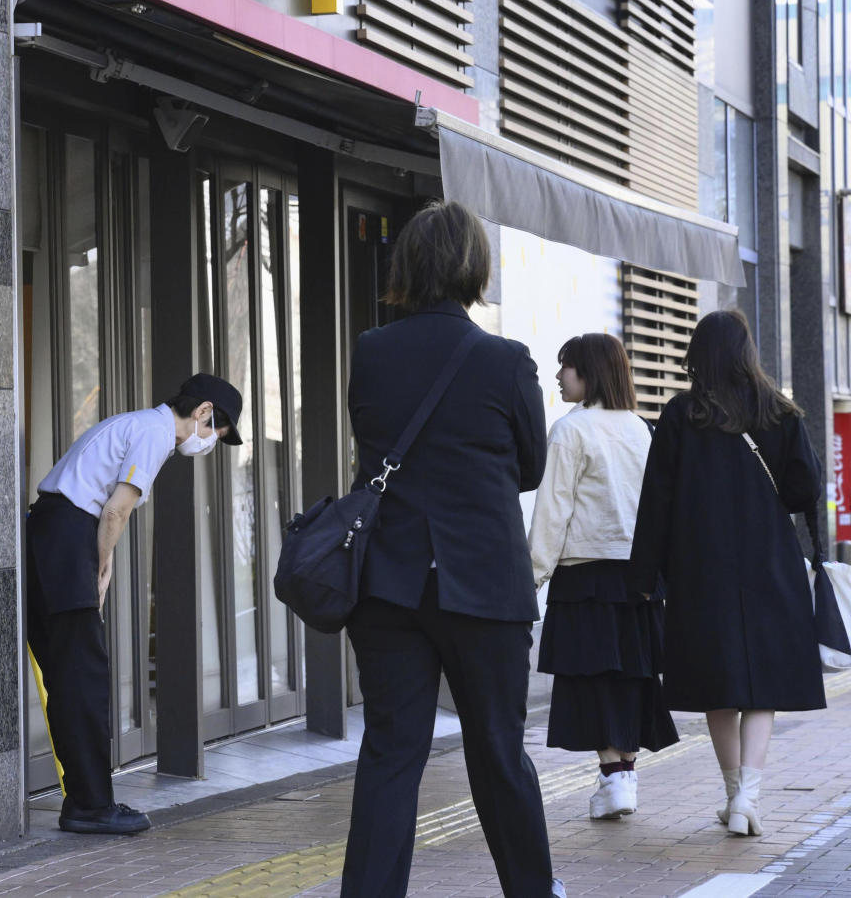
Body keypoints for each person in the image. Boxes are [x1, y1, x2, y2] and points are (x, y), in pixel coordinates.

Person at [341, 200, 565, 898]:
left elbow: (371, 443)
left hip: (390, 585)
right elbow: (531, 467)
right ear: (474, 267)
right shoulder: (505, 362)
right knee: (498, 750)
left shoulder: (372, 351)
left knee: (390, 753)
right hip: (485, 585)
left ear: (406, 266)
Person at [628, 310, 825, 837]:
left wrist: (644, 574)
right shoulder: (780, 411)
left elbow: (657, 501)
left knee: (719, 683)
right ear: (746, 353)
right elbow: (805, 490)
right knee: (762, 686)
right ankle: (748, 800)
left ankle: (735, 794)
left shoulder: (680, 415)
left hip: (700, 566)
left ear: (699, 353)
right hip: (769, 563)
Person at [26, 373, 242, 835]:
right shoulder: (154, 433)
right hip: (68, 537)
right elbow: (115, 510)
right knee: (83, 675)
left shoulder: (135, 424)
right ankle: (90, 806)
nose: (210, 443)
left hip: (48, 532)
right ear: (203, 411)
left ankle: (85, 800)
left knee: (69, 674)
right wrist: (102, 568)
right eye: (216, 432)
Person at [529, 334, 679, 822]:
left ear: (587, 373)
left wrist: (532, 573)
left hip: (584, 575)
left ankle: (613, 777)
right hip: (638, 577)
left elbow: (554, 509)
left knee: (590, 677)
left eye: (565, 367)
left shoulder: (571, 430)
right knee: (632, 676)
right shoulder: (643, 429)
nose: (558, 377)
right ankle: (624, 778)